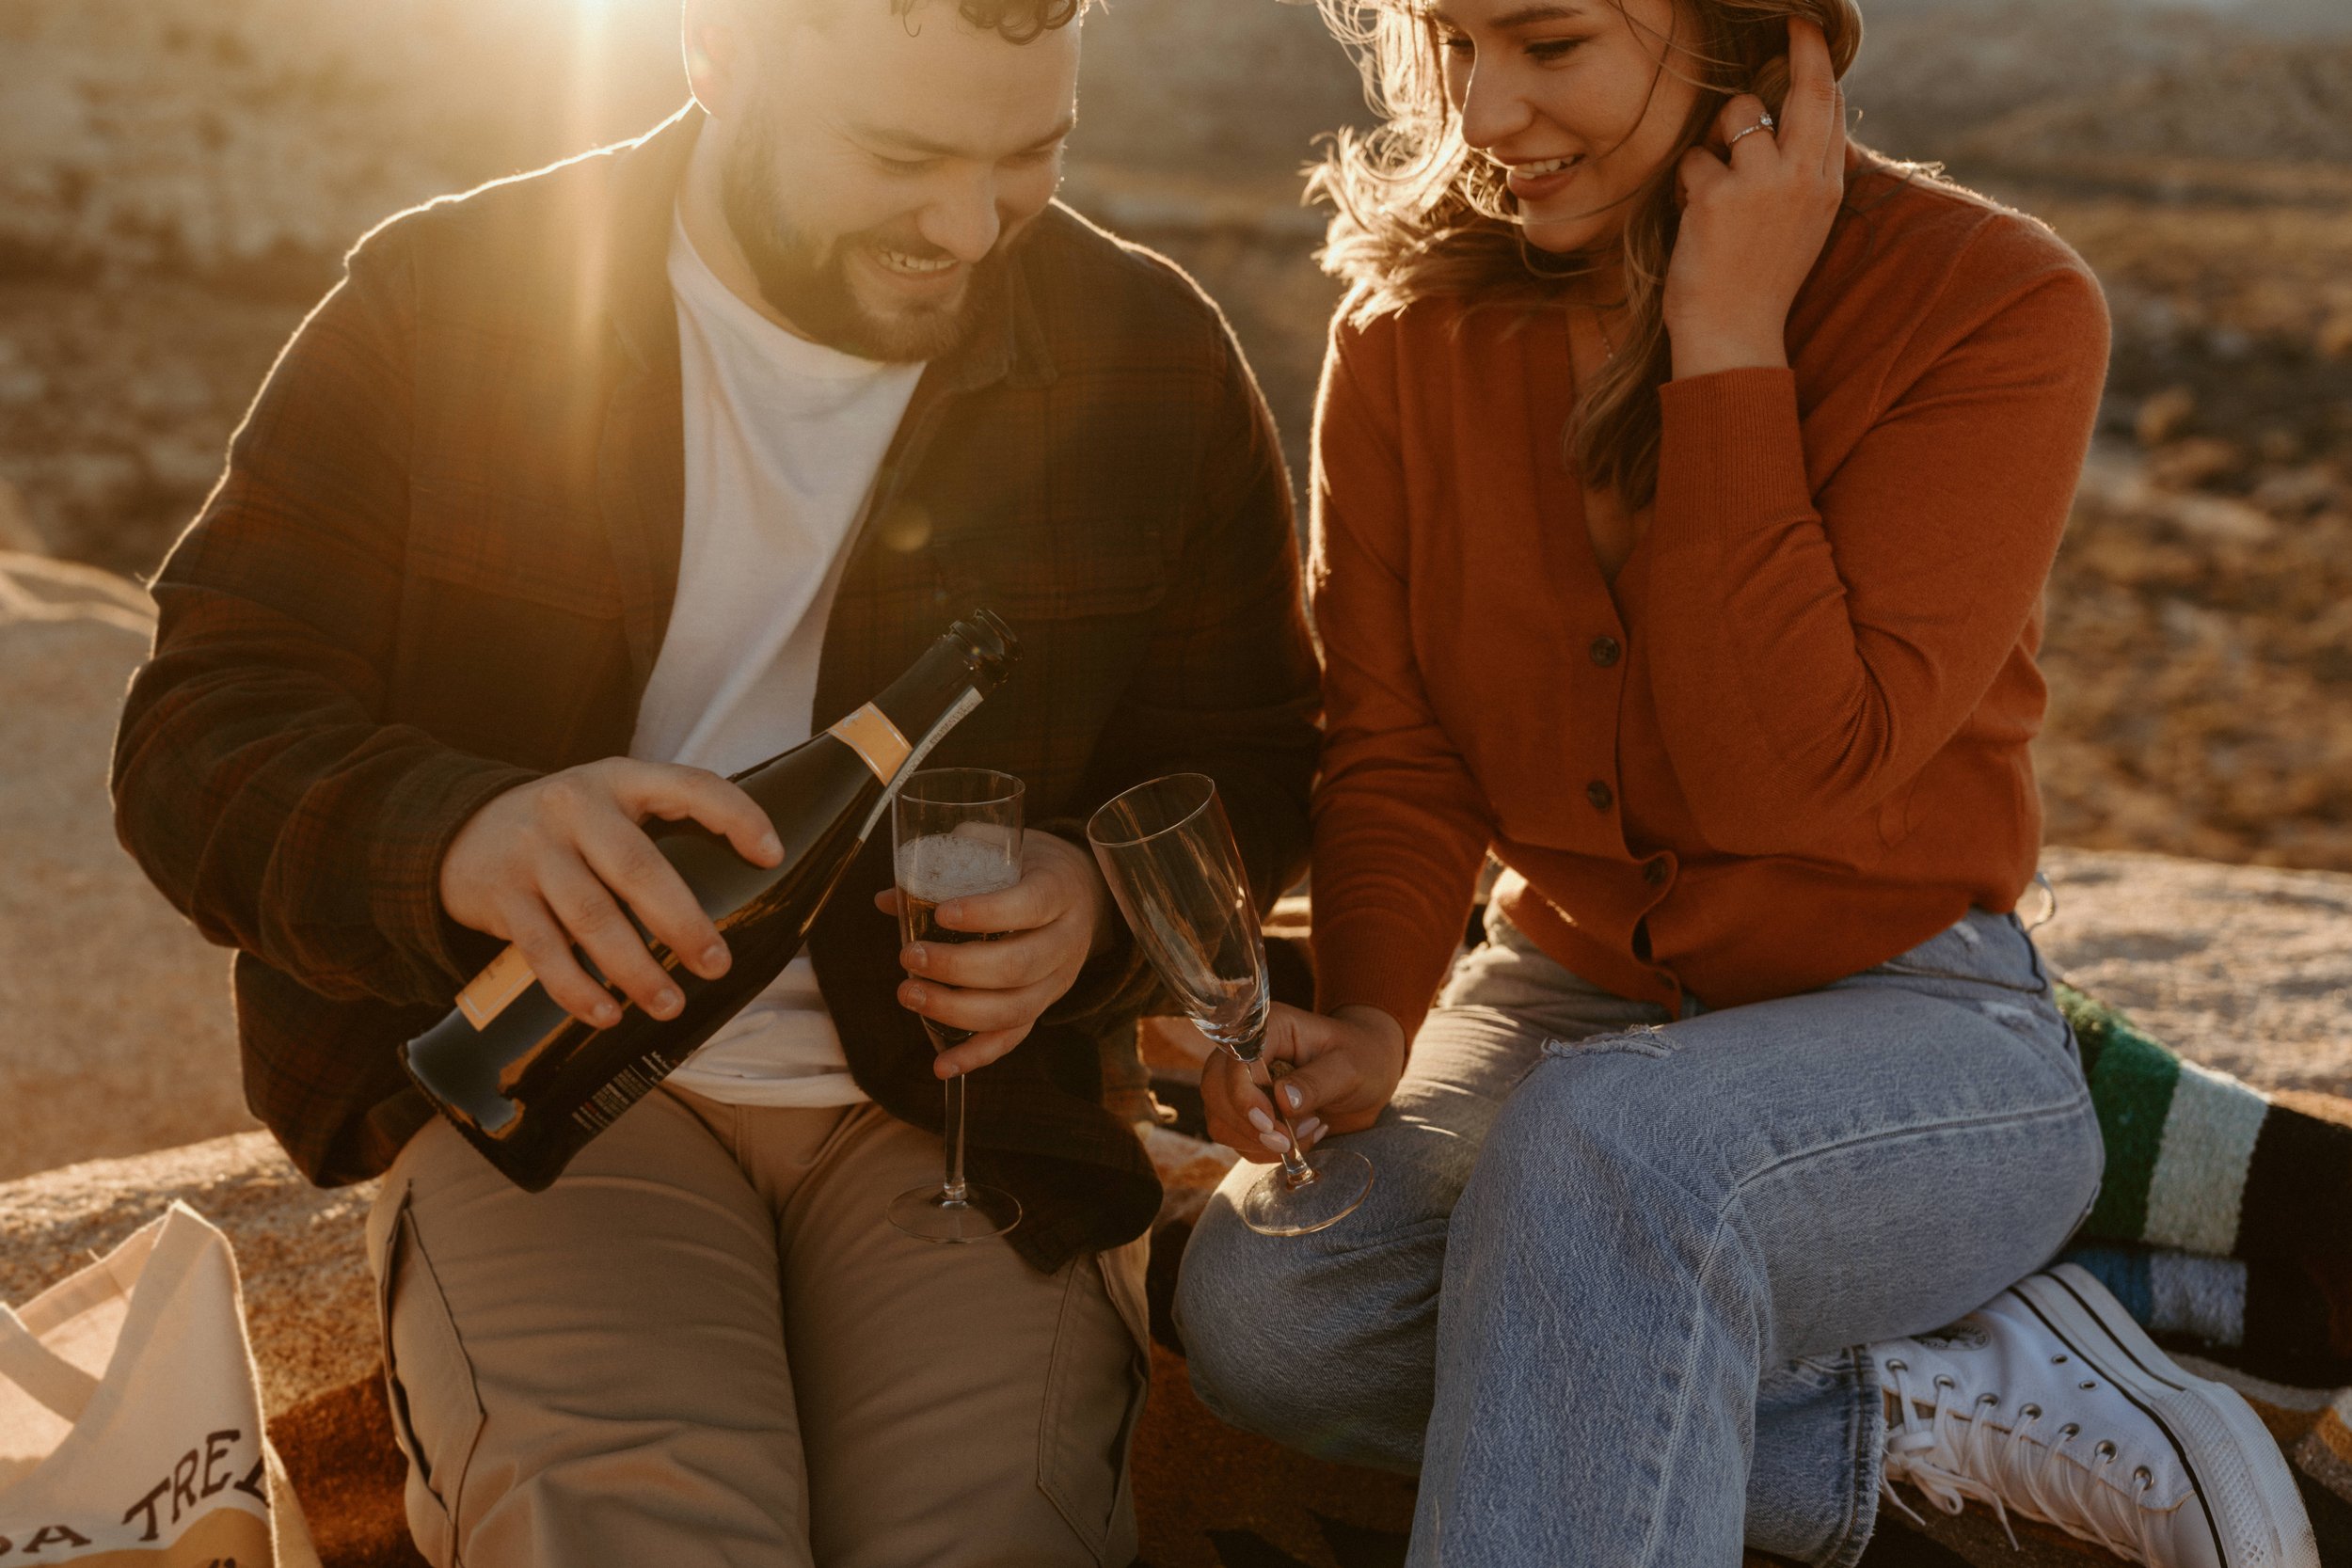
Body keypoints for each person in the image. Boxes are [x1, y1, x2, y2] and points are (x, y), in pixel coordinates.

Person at [108, 0, 1321, 1560]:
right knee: (638, 1529)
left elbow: (1256, 750)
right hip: (544, 1085)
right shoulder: (441, 301)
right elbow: (195, 728)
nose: (968, 226)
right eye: (902, 154)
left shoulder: (1152, 355)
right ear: (717, 54)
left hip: (967, 1119)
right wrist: (460, 838)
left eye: (1032, 153)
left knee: (987, 1539)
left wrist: (1097, 902)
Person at [1173, 2, 2319, 1565]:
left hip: (1921, 1027)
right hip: (1562, 1000)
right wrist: (1378, 1012)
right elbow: (1397, 742)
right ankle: (1913, 1406)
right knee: (1272, 1303)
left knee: (1603, 1155)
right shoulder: (1407, 331)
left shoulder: (1993, 306)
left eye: (1550, 43)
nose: (1484, 111)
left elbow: (1787, 782)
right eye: (1448, 42)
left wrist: (1728, 336)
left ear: (1746, 34)